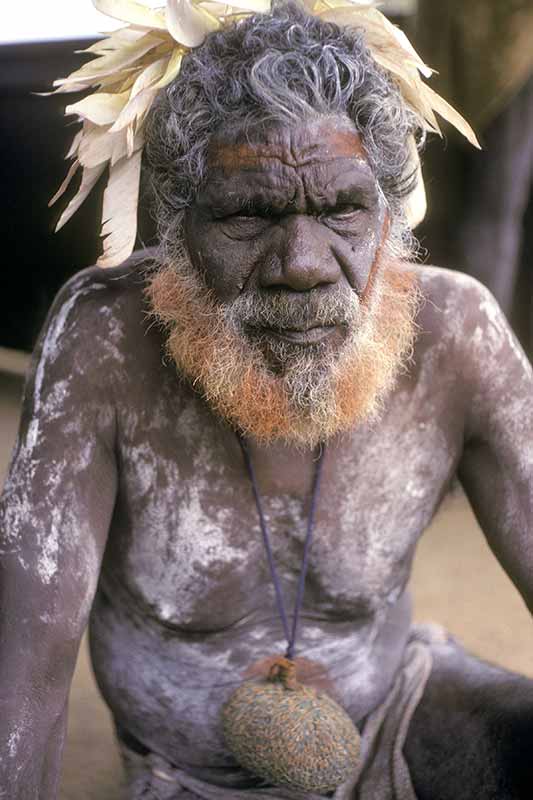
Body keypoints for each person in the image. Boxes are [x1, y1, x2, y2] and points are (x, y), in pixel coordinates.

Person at [1, 1, 532, 798]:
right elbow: (25, 676)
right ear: (173, 232)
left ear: (390, 215)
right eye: (249, 215)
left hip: (394, 709)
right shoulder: (104, 338)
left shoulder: (456, 333)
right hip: (186, 774)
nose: (302, 264)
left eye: (342, 209)